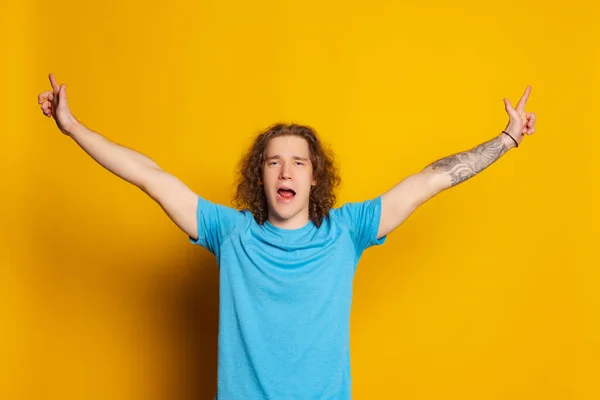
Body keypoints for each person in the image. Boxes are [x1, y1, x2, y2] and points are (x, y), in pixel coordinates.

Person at [38, 73, 536, 399]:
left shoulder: (348, 231)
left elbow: (430, 178)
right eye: (273, 161)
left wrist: (506, 139)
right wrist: (72, 126)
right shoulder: (228, 233)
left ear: (314, 176)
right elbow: (149, 175)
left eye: (298, 162)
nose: (285, 171)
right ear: (261, 175)